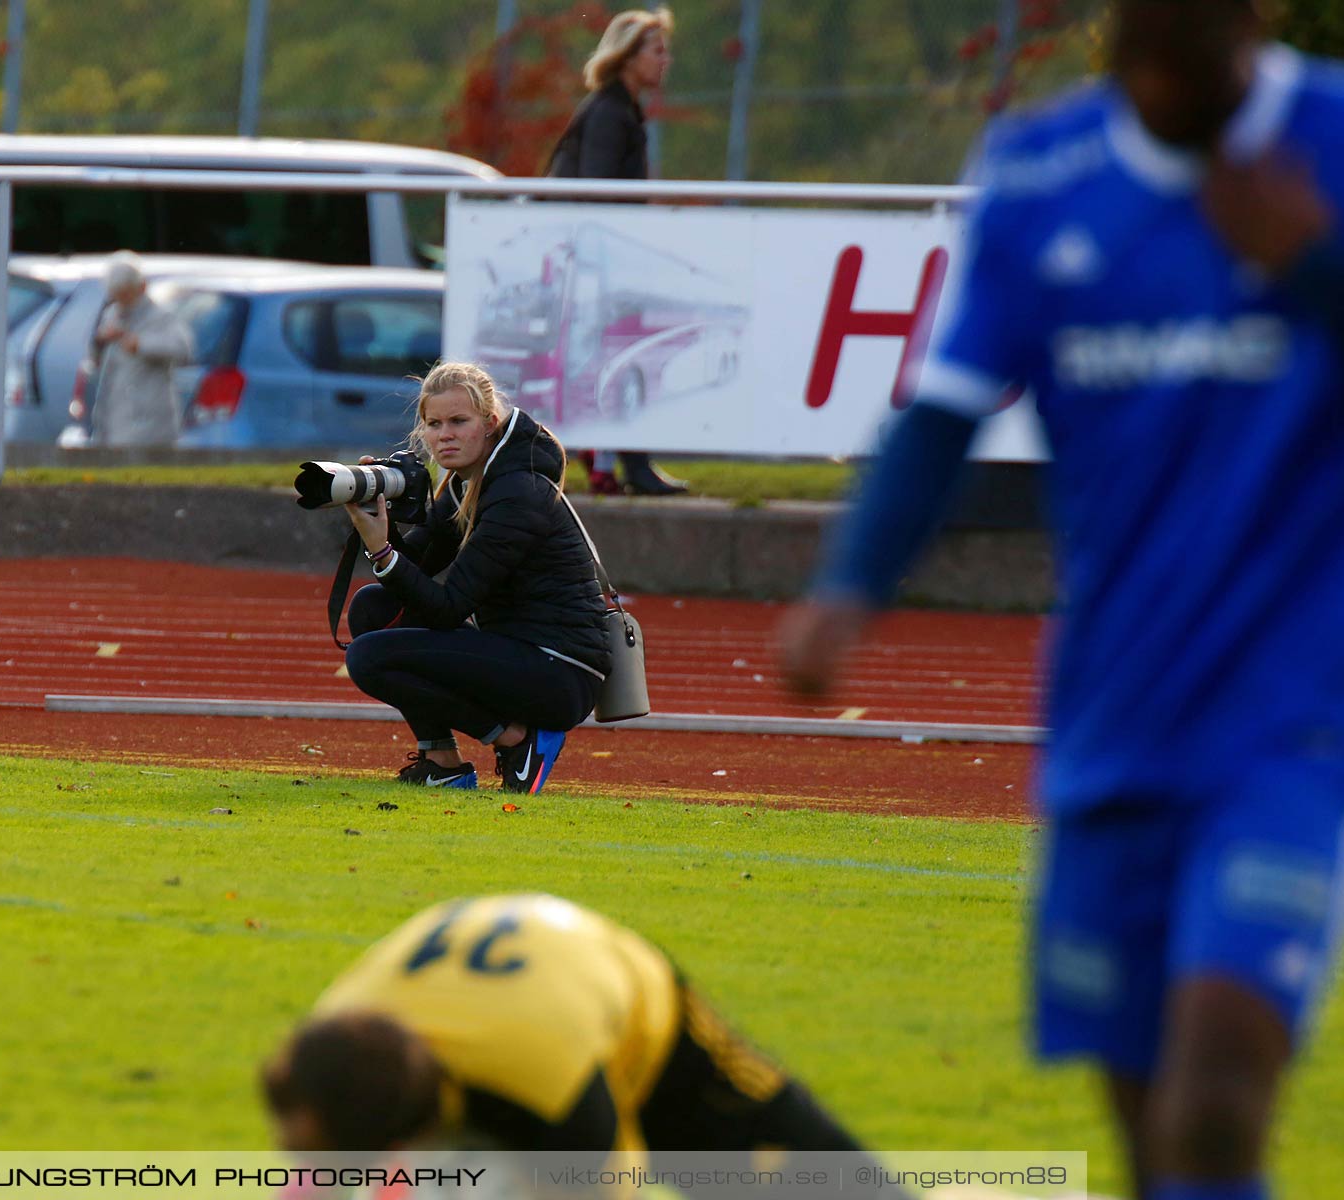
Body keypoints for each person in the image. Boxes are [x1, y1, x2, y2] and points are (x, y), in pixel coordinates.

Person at [779, 4, 1344, 1198]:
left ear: (1243, 26)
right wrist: (848, 590)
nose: (1156, 84)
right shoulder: (1041, 172)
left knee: (1216, 1109)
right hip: (1116, 726)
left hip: (1298, 725)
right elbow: (946, 409)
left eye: (1186, 57)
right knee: (1153, 1134)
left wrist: (1315, 265)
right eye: (1138, 56)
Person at [263, 893, 905, 1194]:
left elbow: (605, 1184)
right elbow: (313, 1170)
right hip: (512, 997)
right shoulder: (331, 1047)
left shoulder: (549, 1086)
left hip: (635, 1010)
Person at [341, 361, 608, 795]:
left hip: (559, 671)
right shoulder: (469, 483)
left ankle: (518, 738)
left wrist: (381, 550)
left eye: (458, 421)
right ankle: (442, 764)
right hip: (519, 651)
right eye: (434, 423)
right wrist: (377, 517)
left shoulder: (518, 492)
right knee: (375, 607)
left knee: (369, 658)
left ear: (489, 424)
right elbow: (418, 568)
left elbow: (448, 607)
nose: (444, 434)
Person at [544, 6, 688, 499]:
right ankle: (625, 463)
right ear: (628, 57)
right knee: (626, 354)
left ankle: (618, 462)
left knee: (618, 359)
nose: (665, 60)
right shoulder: (608, 112)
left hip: (598, 265)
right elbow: (596, 194)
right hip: (594, 268)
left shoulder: (619, 109)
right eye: (657, 50)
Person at [88, 251, 194, 448]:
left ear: (141, 287)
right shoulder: (111, 315)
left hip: (151, 423)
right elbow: (95, 361)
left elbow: (183, 349)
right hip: (114, 417)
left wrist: (141, 345)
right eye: (117, 296)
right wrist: (99, 342)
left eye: (126, 295)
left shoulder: (162, 317)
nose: (122, 302)